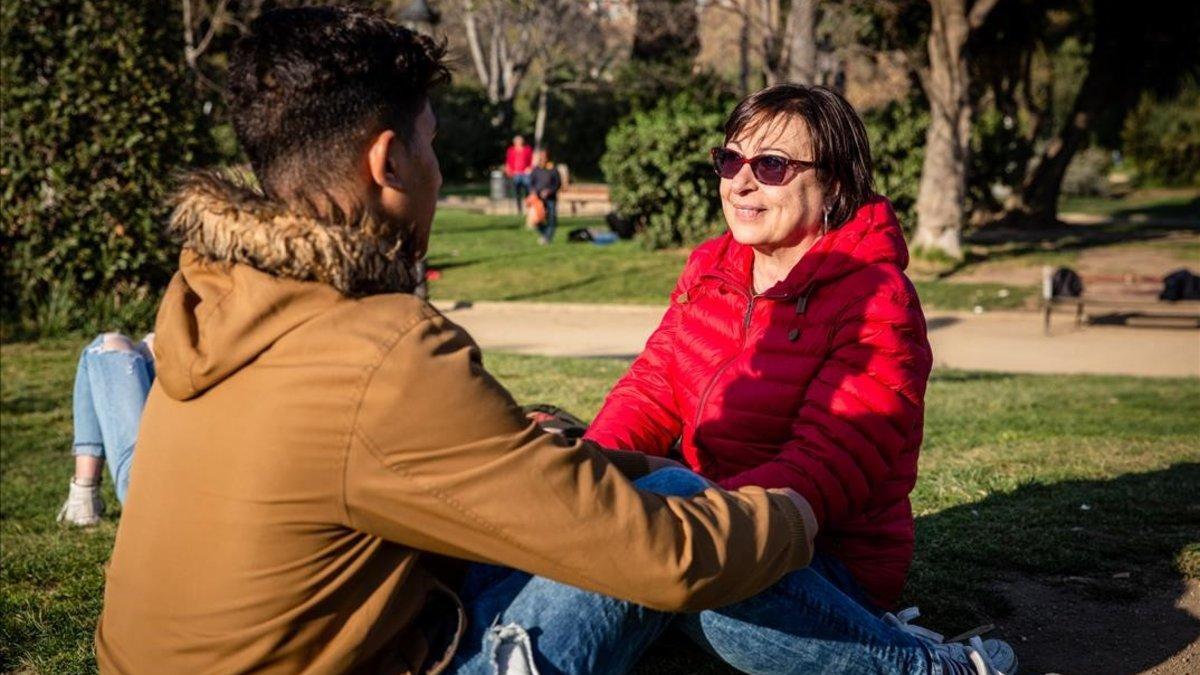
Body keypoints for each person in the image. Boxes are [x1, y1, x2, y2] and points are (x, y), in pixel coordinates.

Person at [94, 9, 817, 674]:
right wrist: (792, 513)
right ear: (390, 163)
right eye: (432, 145)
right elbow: (664, 559)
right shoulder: (382, 350)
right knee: (671, 503)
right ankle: (914, 662)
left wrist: (609, 459)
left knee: (639, 481)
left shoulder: (212, 296)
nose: (436, 171)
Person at [582, 84, 1018, 675]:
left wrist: (702, 524)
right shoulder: (709, 268)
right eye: (730, 160)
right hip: (701, 517)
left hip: (814, 552)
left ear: (834, 183)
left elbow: (832, 462)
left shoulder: (875, 298)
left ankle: (923, 665)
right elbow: (652, 388)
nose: (739, 183)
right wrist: (583, 475)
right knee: (593, 520)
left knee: (686, 579)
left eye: (771, 166)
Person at [56, 332, 155, 526]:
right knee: (150, 346)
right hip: (198, 482)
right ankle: (83, 498)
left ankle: (83, 496)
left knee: (107, 345)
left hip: (148, 486)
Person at [528, 149, 561, 245]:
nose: (542, 159)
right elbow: (531, 183)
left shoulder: (553, 169)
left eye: (544, 156)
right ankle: (546, 235)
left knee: (551, 219)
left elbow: (558, 184)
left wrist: (549, 191)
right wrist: (533, 191)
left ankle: (547, 238)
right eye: (541, 157)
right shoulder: (536, 170)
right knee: (537, 220)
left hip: (551, 198)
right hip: (538, 199)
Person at [504, 134, 533, 214]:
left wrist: (529, 168)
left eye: (520, 141)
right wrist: (509, 171)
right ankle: (519, 209)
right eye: (517, 141)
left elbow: (531, 161)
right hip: (515, 173)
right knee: (517, 190)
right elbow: (508, 163)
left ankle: (529, 206)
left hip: (525, 173)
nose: (518, 142)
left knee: (528, 187)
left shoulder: (527, 149)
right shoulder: (511, 150)